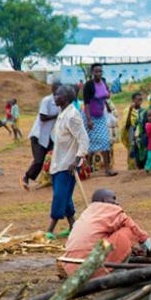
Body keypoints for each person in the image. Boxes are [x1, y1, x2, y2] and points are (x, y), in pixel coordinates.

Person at [61, 188, 151, 278]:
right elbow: (134, 229)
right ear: (103, 200)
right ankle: (118, 272)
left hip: (72, 268)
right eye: (113, 198)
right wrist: (148, 248)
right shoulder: (112, 209)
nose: (116, 203)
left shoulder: (87, 212)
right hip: (93, 268)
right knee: (127, 231)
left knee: (115, 234)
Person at [47, 85, 89, 239]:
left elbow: (84, 139)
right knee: (65, 196)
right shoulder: (62, 114)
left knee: (60, 196)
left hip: (68, 165)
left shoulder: (72, 116)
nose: (55, 97)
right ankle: (73, 225)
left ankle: (50, 229)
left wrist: (77, 160)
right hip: (59, 162)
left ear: (65, 97)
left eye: (57, 95)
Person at [22, 81, 61, 190]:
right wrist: (57, 116)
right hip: (38, 135)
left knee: (52, 158)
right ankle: (26, 176)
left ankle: (48, 180)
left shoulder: (60, 103)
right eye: (57, 91)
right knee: (39, 160)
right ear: (53, 90)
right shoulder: (47, 101)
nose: (58, 94)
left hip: (50, 136)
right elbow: (42, 117)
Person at [82, 63, 117, 176]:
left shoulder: (103, 82)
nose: (98, 73)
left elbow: (106, 96)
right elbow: (86, 104)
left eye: (100, 71)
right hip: (90, 116)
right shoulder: (88, 85)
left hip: (100, 116)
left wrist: (106, 105)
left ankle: (107, 169)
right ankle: (87, 169)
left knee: (105, 142)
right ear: (92, 72)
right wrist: (88, 120)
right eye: (96, 71)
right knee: (88, 143)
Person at [119, 92, 143, 170]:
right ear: (133, 100)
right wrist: (130, 110)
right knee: (132, 150)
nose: (140, 101)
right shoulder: (127, 110)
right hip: (131, 133)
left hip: (140, 134)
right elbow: (127, 125)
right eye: (138, 100)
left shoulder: (143, 111)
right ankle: (132, 168)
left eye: (141, 100)